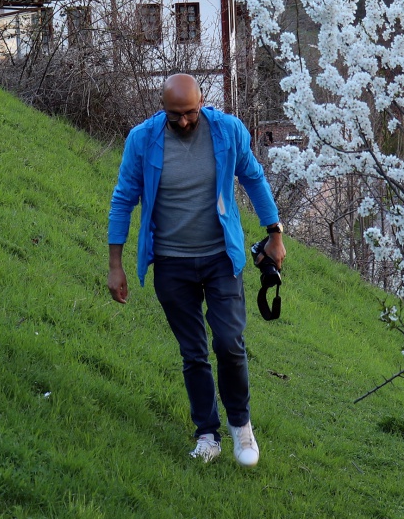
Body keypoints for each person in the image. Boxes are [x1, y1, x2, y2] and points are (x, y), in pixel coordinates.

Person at [106, 73, 284, 466]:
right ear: (162, 109)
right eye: (175, 115)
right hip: (172, 264)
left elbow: (252, 177)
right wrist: (115, 264)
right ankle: (208, 435)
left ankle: (241, 429)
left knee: (229, 344)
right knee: (194, 352)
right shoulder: (142, 140)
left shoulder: (227, 132)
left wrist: (274, 233)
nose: (184, 121)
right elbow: (123, 200)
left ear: (201, 104)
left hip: (222, 258)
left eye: (190, 113)